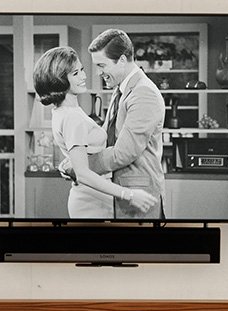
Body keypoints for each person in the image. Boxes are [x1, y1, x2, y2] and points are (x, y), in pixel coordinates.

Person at [32, 45, 155, 219]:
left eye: (81, 70)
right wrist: (129, 194)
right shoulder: (72, 117)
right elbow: (82, 174)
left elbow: (83, 150)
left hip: (96, 197)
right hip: (91, 201)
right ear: (59, 80)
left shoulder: (68, 110)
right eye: (75, 74)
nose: (84, 76)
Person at [83, 27, 168, 222]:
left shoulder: (143, 93)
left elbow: (124, 152)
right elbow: (106, 137)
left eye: (102, 65)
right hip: (123, 194)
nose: (98, 73)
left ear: (122, 60)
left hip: (140, 199)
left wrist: (81, 166)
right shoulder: (121, 90)